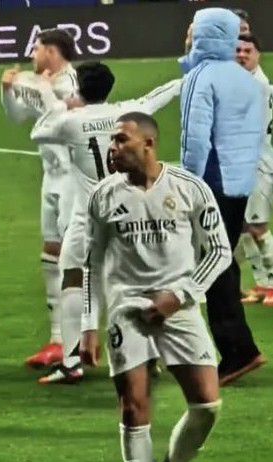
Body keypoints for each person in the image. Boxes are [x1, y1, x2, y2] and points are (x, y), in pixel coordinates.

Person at [81, 112, 231, 462]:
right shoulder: (103, 195)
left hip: (178, 305)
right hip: (127, 308)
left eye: (121, 140)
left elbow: (219, 251)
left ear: (148, 144)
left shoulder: (189, 188)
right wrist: (88, 325)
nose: (112, 148)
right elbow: (92, 263)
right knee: (134, 405)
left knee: (206, 406)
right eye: (112, 141)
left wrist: (178, 297)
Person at [31, 62, 181, 383]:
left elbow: (38, 132)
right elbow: (158, 97)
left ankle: (71, 362)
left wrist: (60, 103)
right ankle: (148, 357)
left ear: (79, 87)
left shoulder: (70, 121)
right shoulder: (127, 114)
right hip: (127, 212)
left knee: (72, 277)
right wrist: (185, 79)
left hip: (88, 216)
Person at [180, 7, 266, 385]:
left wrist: (189, 181)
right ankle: (238, 348)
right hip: (239, 182)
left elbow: (196, 137)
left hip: (212, 181)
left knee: (214, 262)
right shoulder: (245, 78)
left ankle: (237, 350)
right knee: (224, 258)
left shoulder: (203, 78)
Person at [1, 28, 78, 369]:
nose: (32, 54)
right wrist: (7, 90)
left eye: (37, 48)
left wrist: (37, 86)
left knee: (77, 257)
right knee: (51, 252)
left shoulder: (71, 84)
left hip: (74, 176)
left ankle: (82, 341)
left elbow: (60, 116)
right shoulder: (41, 82)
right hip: (51, 176)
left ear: (52, 52)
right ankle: (58, 340)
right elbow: (17, 115)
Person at [233, 34, 273, 306]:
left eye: (248, 51)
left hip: (257, 165)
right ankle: (261, 284)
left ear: (258, 55)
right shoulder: (244, 82)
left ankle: (272, 284)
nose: (242, 55)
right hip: (242, 163)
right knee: (245, 227)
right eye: (238, 50)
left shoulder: (257, 86)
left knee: (258, 227)